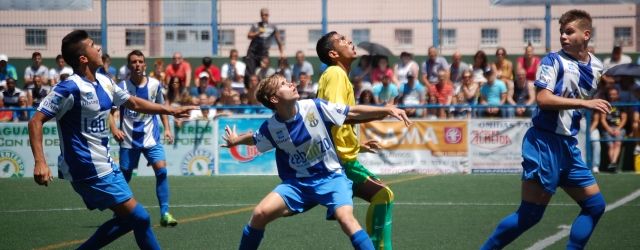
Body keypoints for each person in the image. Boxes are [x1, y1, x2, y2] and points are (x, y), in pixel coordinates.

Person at [28, 30, 194, 249]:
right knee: (141, 218)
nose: (98, 47)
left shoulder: (105, 82)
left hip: (104, 164)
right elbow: (35, 121)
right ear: (83, 58)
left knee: (130, 220)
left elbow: (133, 103)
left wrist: (170, 110)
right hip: (87, 167)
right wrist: (40, 161)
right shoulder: (69, 87)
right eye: (92, 45)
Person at [223, 74, 412, 250]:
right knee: (259, 214)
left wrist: (385, 110)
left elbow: (352, 112)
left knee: (346, 219)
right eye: (283, 84)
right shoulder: (272, 127)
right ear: (274, 99)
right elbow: (255, 138)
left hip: (332, 178)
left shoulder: (314, 107)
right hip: (298, 184)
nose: (291, 84)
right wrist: (235, 141)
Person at [481, 10, 610, 250]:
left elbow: (578, 102)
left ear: (586, 34)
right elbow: (543, 99)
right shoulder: (552, 61)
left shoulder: (597, 67)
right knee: (530, 215)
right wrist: (584, 103)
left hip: (568, 146)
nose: (563, 36)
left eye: (569, 31)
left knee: (595, 206)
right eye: (562, 32)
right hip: (543, 143)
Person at [316, 31, 396, 250]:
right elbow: (336, 115)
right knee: (384, 195)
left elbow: (334, 119)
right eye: (342, 40)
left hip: (339, 158)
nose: (349, 41)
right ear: (333, 53)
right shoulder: (335, 74)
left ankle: (337, 200)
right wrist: (383, 111)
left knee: (364, 205)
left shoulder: (338, 75)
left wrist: (357, 145)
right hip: (340, 162)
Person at [108, 49, 179, 227]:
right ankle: (120, 211)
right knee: (124, 176)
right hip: (129, 139)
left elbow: (162, 108)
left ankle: (165, 213)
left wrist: (168, 129)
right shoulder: (121, 87)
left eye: (140, 61)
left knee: (162, 171)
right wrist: (114, 128)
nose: (137, 64)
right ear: (129, 65)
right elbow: (109, 112)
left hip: (151, 138)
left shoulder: (155, 85)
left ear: (145, 65)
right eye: (134, 62)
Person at [243, 8, 284, 86]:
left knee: (264, 72)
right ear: (260, 15)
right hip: (253, 53)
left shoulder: (273, 27)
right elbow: (248, 35)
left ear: (268, 15)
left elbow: (279, 41)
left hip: (264, 54)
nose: (264, 16)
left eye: (266, 15)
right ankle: (250, 90)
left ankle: (263, 89)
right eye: (262, 15)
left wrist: (282, 53)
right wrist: (258, 33)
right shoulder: (256, 25)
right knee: (251, 73)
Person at [600, 87, 626, 171]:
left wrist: (618, 129)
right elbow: (602, 119)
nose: (612, 96)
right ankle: (613, 164)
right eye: (611, 94)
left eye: (614, 94)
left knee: (617, 143)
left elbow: (624, 119)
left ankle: (613, 163)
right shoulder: (605, 105)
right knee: (611, 145)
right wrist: (609, 129)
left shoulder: (622, 105)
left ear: (618, 95)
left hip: (619, 128)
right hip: (608, 128)